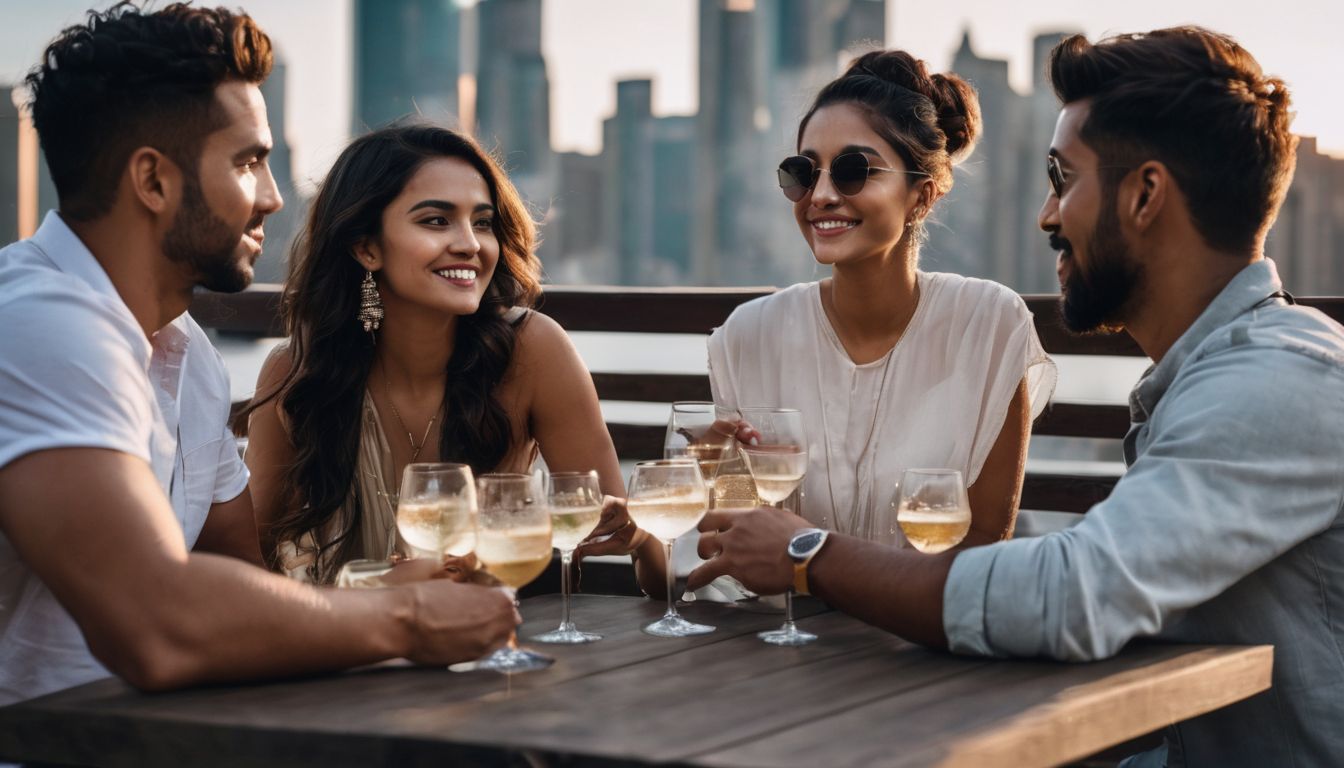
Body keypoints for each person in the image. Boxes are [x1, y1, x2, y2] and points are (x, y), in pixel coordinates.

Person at [690, 26, 1344, 766]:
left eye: (1063, 178)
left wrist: (808, 551)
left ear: (1146, 195)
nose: (1047, 215)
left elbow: (1071, 598)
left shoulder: (1275, 384)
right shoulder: (1219, 377)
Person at [0, 3, 516, 705]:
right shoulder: (39, 325)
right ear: (153, 181)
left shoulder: (187, 356)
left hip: (170, 735)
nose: (273, 198)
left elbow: (240, 581)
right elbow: (160, 623)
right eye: (248, 162)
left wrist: (377, 590)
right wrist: (408, 617)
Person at [243, 124, 665, 594]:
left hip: (481, 651)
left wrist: (644, 533)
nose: (470, 244)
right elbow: (245, 563)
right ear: (366, 247)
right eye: (436, 221)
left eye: (482, 222)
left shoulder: (532, 350)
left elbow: (647, 567)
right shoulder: (296, 371)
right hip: (335, 648)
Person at [707, 50, 1055, 545]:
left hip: (923, 624)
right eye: (804, 172)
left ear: (923, 195)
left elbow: (981, 549)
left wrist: (817, 565)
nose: (821, 195)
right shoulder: (749, 336)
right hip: (778, 623)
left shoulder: (990, 325)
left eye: (854, 170)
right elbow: (729, 541)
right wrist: (708, 485)